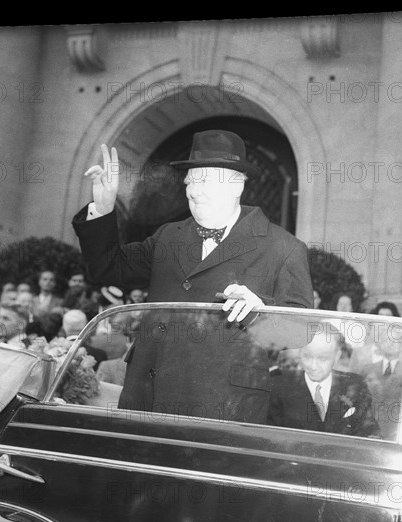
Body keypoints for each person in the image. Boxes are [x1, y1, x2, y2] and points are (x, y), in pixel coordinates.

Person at [71, 130, 313, 422]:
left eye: (205, 180)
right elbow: (107, 268)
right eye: (190, 180)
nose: (194, 190)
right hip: (146, 399)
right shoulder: (168, 237)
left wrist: (257, 314)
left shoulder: (283, 248)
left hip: (223, 409)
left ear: (237, 185)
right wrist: (104, 207)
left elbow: (300, 331)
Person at [267, 326, 380, 438]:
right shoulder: (279, 385)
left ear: (336, 357)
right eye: (307, 356)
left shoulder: (355, 385)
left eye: (323, 358)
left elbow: (369, 431)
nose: (313, 366)